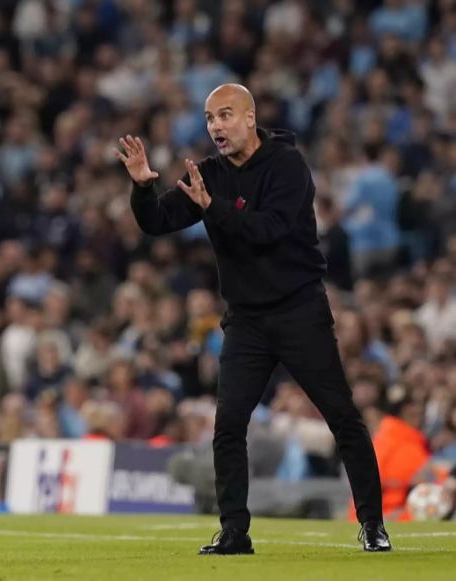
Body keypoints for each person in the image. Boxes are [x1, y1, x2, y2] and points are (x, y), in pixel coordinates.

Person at [116, 83, 389, 554]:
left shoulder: (287, 166)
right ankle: (234, 532)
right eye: (208, 118)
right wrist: (143, 187)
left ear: (249, 119)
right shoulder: (208, 175)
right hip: (246, 321)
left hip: (299, 310)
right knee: (228, 425)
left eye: (225, 116)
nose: (216, 126)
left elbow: (270, 230)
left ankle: (372, 523)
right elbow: (156, 223)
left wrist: (213, 208)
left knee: (341, 416)